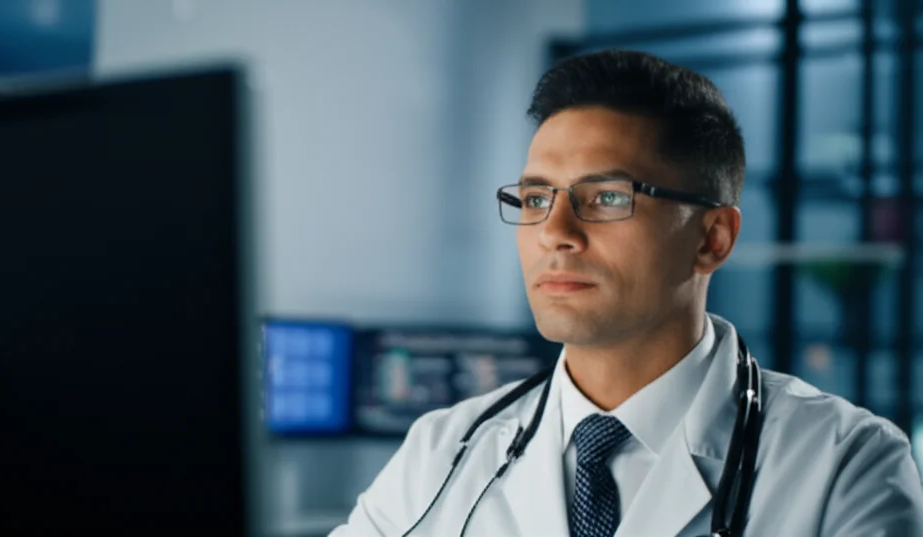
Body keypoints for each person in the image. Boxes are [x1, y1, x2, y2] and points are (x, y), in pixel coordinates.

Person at [328, 50, 923, 537]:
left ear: (712, 238)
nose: (554, 235)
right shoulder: (443, 451)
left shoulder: (845, 464)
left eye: (607, 197)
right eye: (536, 199)